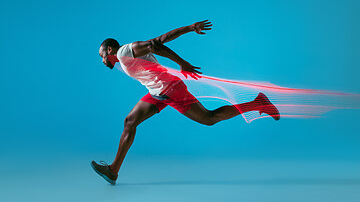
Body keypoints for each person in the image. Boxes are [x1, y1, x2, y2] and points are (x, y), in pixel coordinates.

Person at [91, 20, 280, 185]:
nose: (102, 60)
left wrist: (182, 63)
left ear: (109, 50)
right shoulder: (127, 56)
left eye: (102, 56)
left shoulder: (124, 52)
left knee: (209, 118)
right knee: (130, 122)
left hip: (171, 90)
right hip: (158, 92)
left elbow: (153, 45)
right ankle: (113, 171)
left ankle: (258, 104)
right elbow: (161, 39)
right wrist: (189, 28)